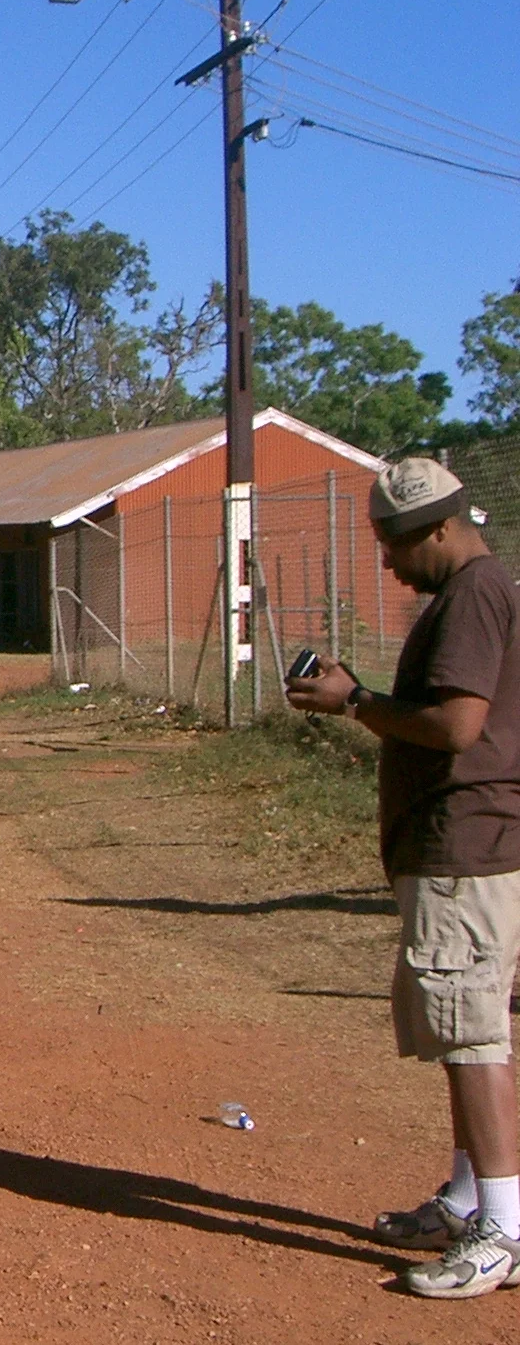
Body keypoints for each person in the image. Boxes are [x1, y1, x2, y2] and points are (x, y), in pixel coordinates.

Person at [288, 457, 520, 1300]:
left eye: (395, 544)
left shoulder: (473, 596)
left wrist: (355, 703)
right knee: (458, 1028)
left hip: (467, 843)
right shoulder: (470, 593)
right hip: (454, 844)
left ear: (442, 528)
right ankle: (467, 1200)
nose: (387, 561)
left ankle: (504, 1229)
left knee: (473, 1033)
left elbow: (456, 727)